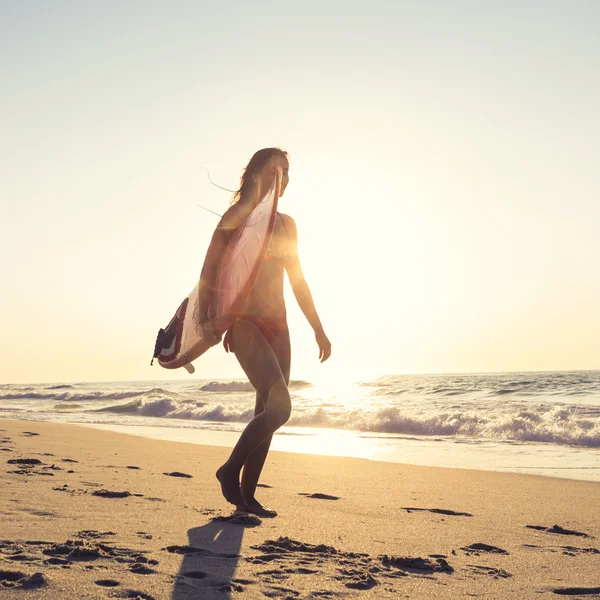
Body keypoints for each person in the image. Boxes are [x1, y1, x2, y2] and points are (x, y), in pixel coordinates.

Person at [198, 148, 331, 517]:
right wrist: (213, 319)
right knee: (280, 407)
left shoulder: (287, 224)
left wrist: (318, 329)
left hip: (279, 326)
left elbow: (299, 281)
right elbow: (210, 268)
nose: (283, 179)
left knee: (266, 410)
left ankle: (247, 497)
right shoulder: (239, 216)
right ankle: (228, 471)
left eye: (287, 173)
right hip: (244, 325)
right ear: (258, 174)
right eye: (276, 171)